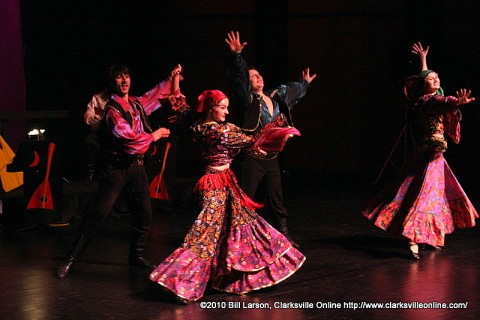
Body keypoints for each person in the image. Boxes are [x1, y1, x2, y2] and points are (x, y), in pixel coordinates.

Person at [149, 90, 306, 303]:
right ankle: (177, 282)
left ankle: (238, 277)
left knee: (244, 225)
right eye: (222, 107)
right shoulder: (217, 131)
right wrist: (278, 133)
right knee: (204, 235)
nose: (227, 111)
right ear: (211, 108)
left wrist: (176, 82)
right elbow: (252, 139)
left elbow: (183, 109)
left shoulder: (198, 125)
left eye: (227, 106)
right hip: (213, 185)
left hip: (226, 183)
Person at [56, 63, 186, 278]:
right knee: (98, 214)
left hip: (137, 168)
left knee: (144, 212)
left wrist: (171, 80)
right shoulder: (112, 111)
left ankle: (136, 255)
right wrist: (155, 135)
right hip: (116, 169)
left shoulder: (135, 103)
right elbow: (130, 141)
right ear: (112, 82)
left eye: (127, 76)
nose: (124, 81)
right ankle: (71, 258)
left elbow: (155, 96)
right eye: (119, 77)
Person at [362, 42, 478, 260]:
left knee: (434, 195)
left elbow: (435, 89)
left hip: (436, 154)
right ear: (424, 86)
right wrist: (457, 102)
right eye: (432, 79)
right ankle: (413, 238)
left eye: (437, 78)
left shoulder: (431, 96)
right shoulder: (427, 100)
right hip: (428, 153)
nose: (436, 80)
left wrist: (423, 60)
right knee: (423, 195)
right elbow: (441, 99)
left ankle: (431, 235)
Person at [224, 31, 316, 248]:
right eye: (253, 76)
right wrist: (237, 56)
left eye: (259, 74)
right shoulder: (247, 100)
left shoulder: (275, 96)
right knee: (245, 198)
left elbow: (292, 91)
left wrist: (304, 83)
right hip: (253, 159)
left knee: (277, 198)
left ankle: (283, 235)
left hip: (272, 159)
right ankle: (236, 237)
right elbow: (238, 79)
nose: (259, 77)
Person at [83, 90, 110, 184]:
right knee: (90, 140)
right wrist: (96, 121)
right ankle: (91, 173)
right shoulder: (97, 98)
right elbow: (88, 116)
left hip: (116, 132)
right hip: (100, 130)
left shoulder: (120, 97)